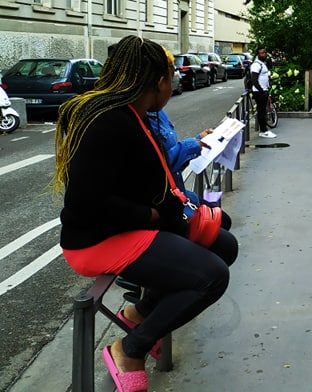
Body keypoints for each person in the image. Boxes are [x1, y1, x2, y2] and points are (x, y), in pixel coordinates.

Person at [56, 36, 237, 391]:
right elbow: (86, 203)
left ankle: (137, 315)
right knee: (211, 276)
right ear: (159, 82)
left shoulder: (132, 115)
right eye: (172, 76)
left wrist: (169, 212)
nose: (175, 84)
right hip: (99, 240)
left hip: (128, 227)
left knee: (224, 245)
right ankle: (129, 348)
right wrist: (152, 217)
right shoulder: (109, 122)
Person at [250, 47, 276, 139]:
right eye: (261, 53)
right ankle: (264, 131)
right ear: (258, 54)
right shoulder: (256, 65)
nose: (264, 54)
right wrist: (261, 91)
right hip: (259, 92)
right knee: (261, 111)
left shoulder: (262, 63)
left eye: (265, 52)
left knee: (262, 111)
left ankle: (263, 130)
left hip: (263, 90)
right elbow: (254, 79)